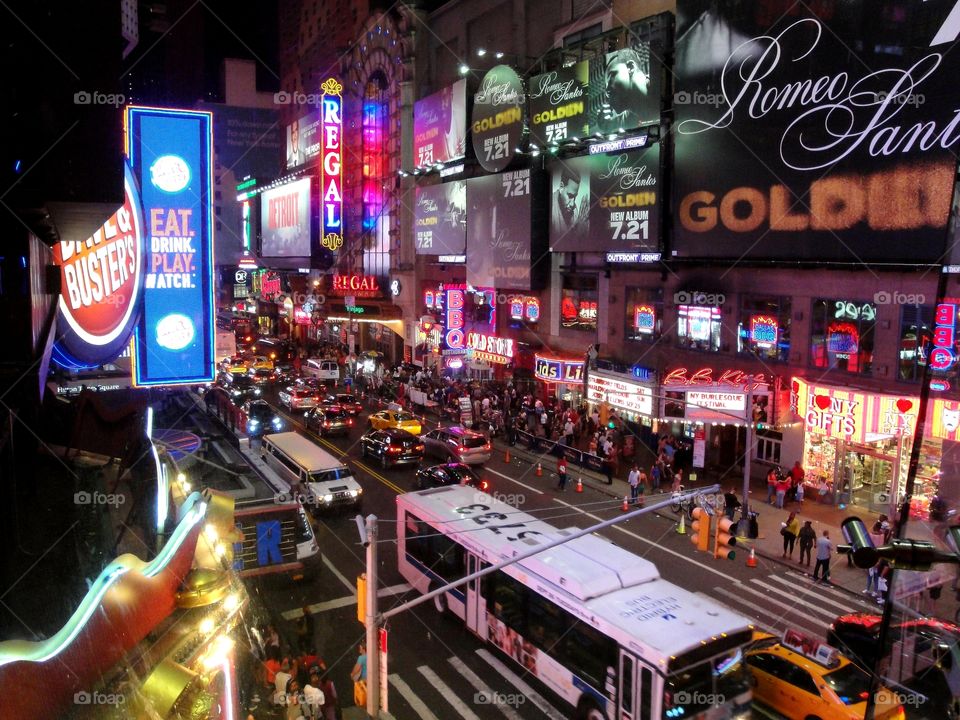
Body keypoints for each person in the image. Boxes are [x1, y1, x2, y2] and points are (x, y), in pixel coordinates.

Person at [351, 643, 367, 707]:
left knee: (363, 694)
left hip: (365, 678)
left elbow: (357, 668)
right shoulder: (372, 654)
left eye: (360, 648)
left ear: (364, 649)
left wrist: (352, 674)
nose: (359, 650)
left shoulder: (361, 658)